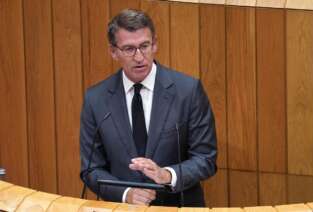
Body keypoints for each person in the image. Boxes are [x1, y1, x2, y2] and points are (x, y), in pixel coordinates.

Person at [80, 9, 217, 207]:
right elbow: (91, 169)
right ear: (113, 51)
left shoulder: (188, 91)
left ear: (155, 44)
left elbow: (206, 159)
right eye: (129, 49)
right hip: (123, 208)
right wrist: (126, 194)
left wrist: (167, 175)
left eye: (144, 46)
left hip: (178, 205)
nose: (139, 57)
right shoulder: (96, 99)